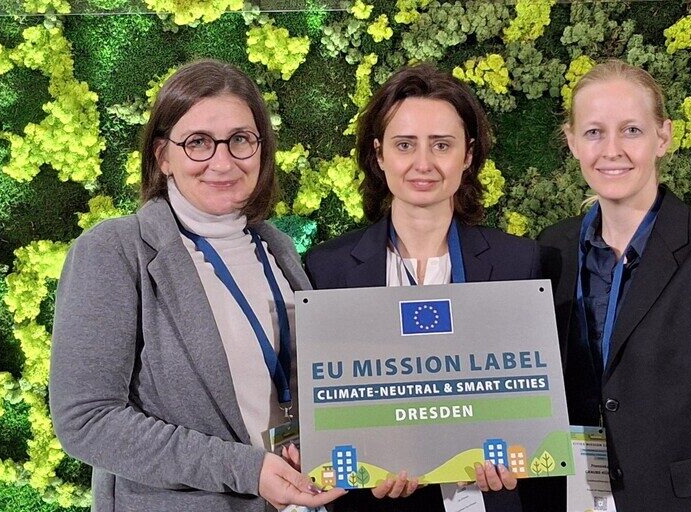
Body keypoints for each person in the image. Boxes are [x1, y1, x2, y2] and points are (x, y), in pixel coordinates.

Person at [49, 59, 345, 511]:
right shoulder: (114, 250)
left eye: (241, 140)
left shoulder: (277, 248)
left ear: (261, 149)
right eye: (199, 143)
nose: (222, 161)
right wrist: (247, 470)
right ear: (162, 155)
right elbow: (86, 422)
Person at [537, 59, 691, 511]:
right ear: (572, 142)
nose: (611, 150)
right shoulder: (552, 250)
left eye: (631, 129)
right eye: (594, 132)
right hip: (571, 496)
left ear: (663, 136)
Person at [305, 63, 538, 512]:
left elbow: (526, 400)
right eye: (405, 144)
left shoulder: (518, 262)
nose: (423, 164)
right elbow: (327, 410)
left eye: (442, 145)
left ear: (467, 155)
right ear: (379, 154)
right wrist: (361, 471)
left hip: (481, 499)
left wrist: (516, 457)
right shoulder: (327, 269)